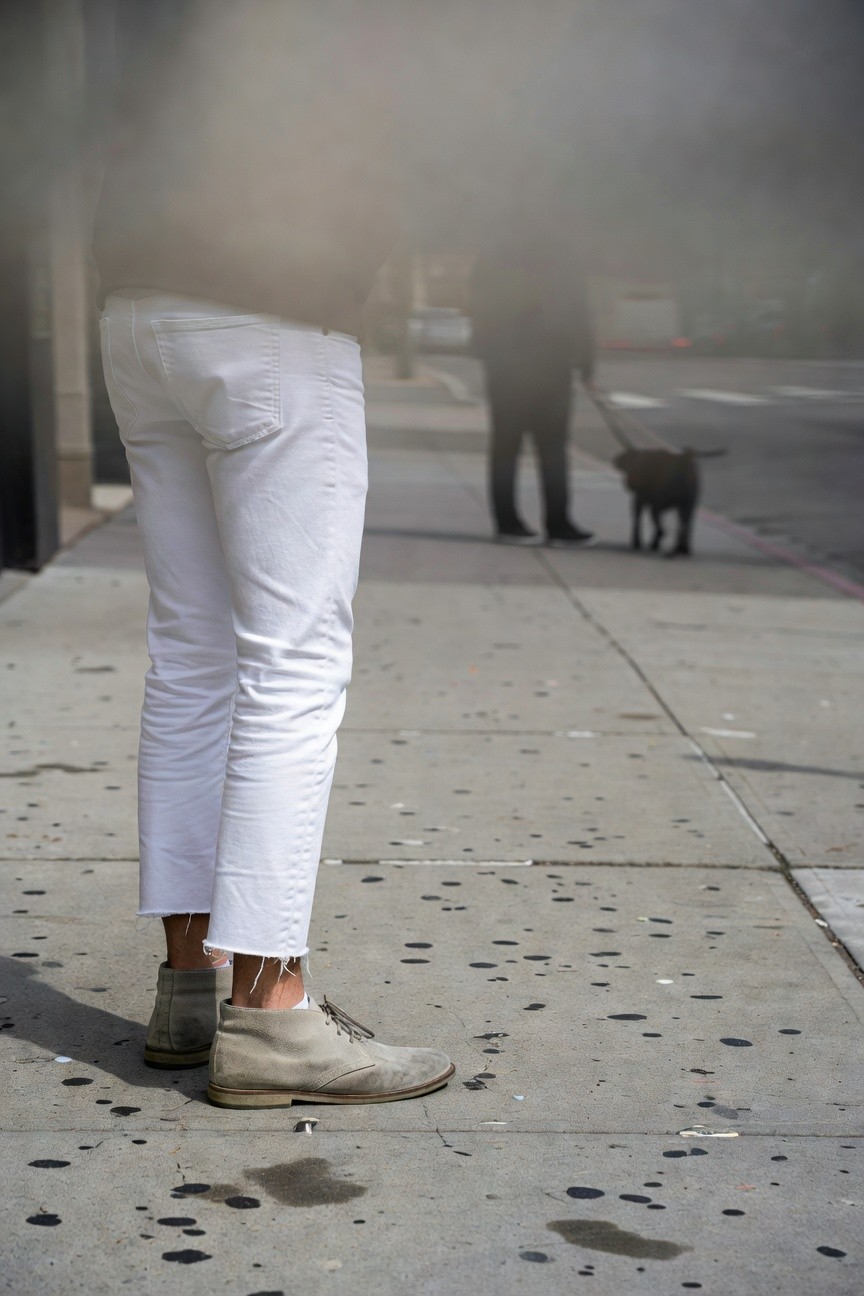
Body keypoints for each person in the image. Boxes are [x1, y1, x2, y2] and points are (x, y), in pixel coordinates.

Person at [92, 1, 453, 1108]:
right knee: (291, 663)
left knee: (194, 656)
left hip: (140, 303)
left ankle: (190, 985)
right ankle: (275, 1014)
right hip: (271, 310)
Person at [471, 227, 597, 545]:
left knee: (505, 447)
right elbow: (580, 312)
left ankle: (507, 522)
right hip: (553, 363)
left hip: (506, 365)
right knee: (552, 448)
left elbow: (478, 307)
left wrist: (486, 350)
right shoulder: (563, 257)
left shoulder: (493, 255)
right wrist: (586, 363)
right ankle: (558, 523)